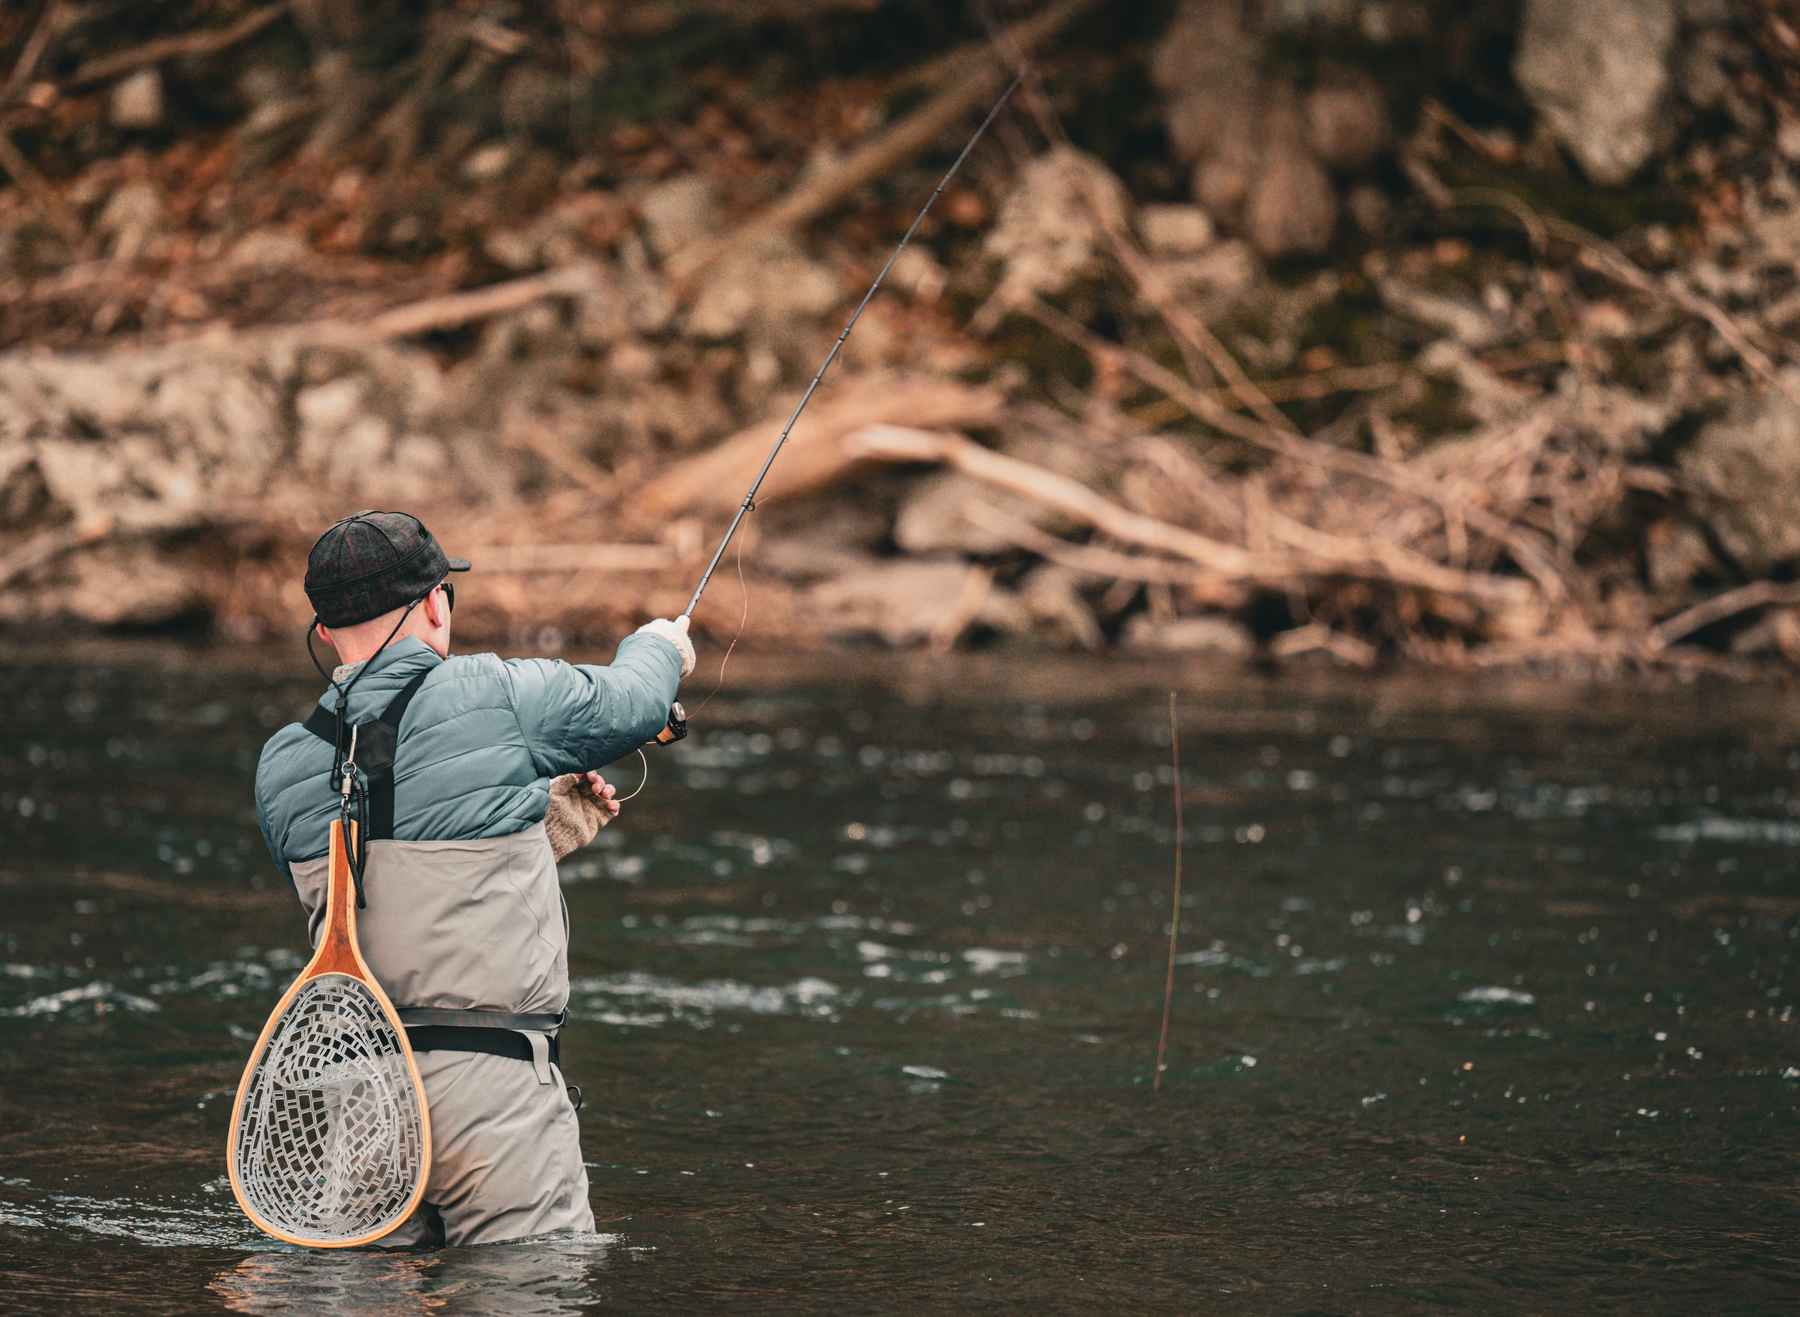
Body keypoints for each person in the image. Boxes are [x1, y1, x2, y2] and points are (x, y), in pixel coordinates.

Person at [253, 510, 695, 1246]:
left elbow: (376, 880)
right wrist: (658, 644)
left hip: (365, 1106)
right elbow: (635, 703)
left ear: (325, 631)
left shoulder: (281, 763)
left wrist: (529, 824)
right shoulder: (493, 693)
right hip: (497, 1102)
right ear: (435, 602)